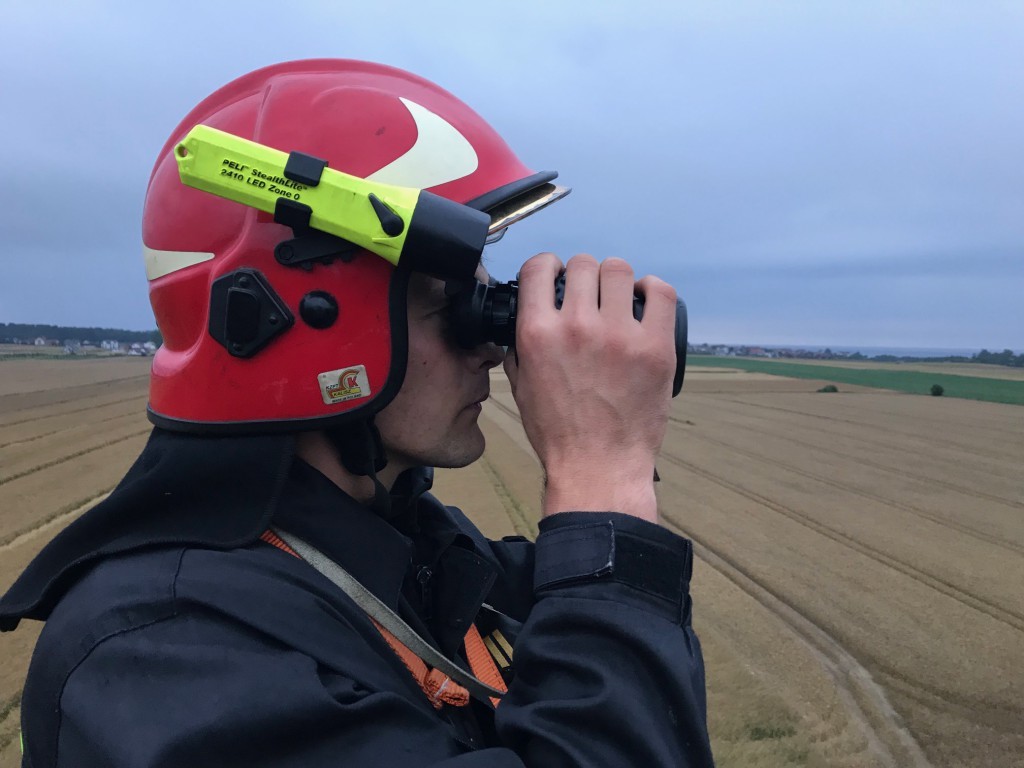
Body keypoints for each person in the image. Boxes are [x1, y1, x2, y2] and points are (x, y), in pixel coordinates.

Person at [0, 60, 714, 767]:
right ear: (310, 319)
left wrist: (610, 477)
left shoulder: (411, 550)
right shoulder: (166, 657)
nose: (493, 347)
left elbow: (605, 658)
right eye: (447, 298)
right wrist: (600, 480)